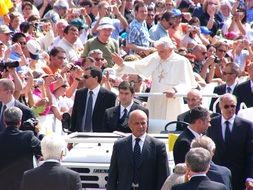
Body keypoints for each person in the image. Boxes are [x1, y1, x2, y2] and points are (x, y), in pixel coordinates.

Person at [113, 37, 197, 121]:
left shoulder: (182, 61)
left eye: (162, 51)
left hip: (172, 101)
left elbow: (187, 83)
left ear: (170, 49)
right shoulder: (156, 57)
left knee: (171, 128)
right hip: (155, 99)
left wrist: (175, 89)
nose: (159, 54)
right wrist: (122, 64)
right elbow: (138, 67)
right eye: (158, 51)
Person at [106, 109, 169, 190]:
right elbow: (112, 175)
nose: (141, 126)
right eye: (137, 123)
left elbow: (163, 177)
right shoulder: (119, 145)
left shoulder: (158, 146)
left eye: (143, 123)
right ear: (129, 124)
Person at [207, 93, 253, 190]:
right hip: (216, 177)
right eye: (226, 106)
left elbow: (250, 154)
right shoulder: (212, 124)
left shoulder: (247, 126)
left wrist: (250, 177)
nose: (230, 109)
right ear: (220, 106)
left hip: (239, 176)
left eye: (233, 106)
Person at [0, 107, 42, 190]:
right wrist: (39, 133)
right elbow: (43, 151)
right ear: (20, 121)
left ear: (4, 121)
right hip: (23, 185)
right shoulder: (28, 136)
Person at [70, 66, 117, 132]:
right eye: (83, 76)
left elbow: (111, 121)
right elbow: (74, 117)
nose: (83, 79)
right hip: (79, 136)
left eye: (86, 77)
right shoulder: (79, 93)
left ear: (96, 78)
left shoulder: (110, 96)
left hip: (99, 137)